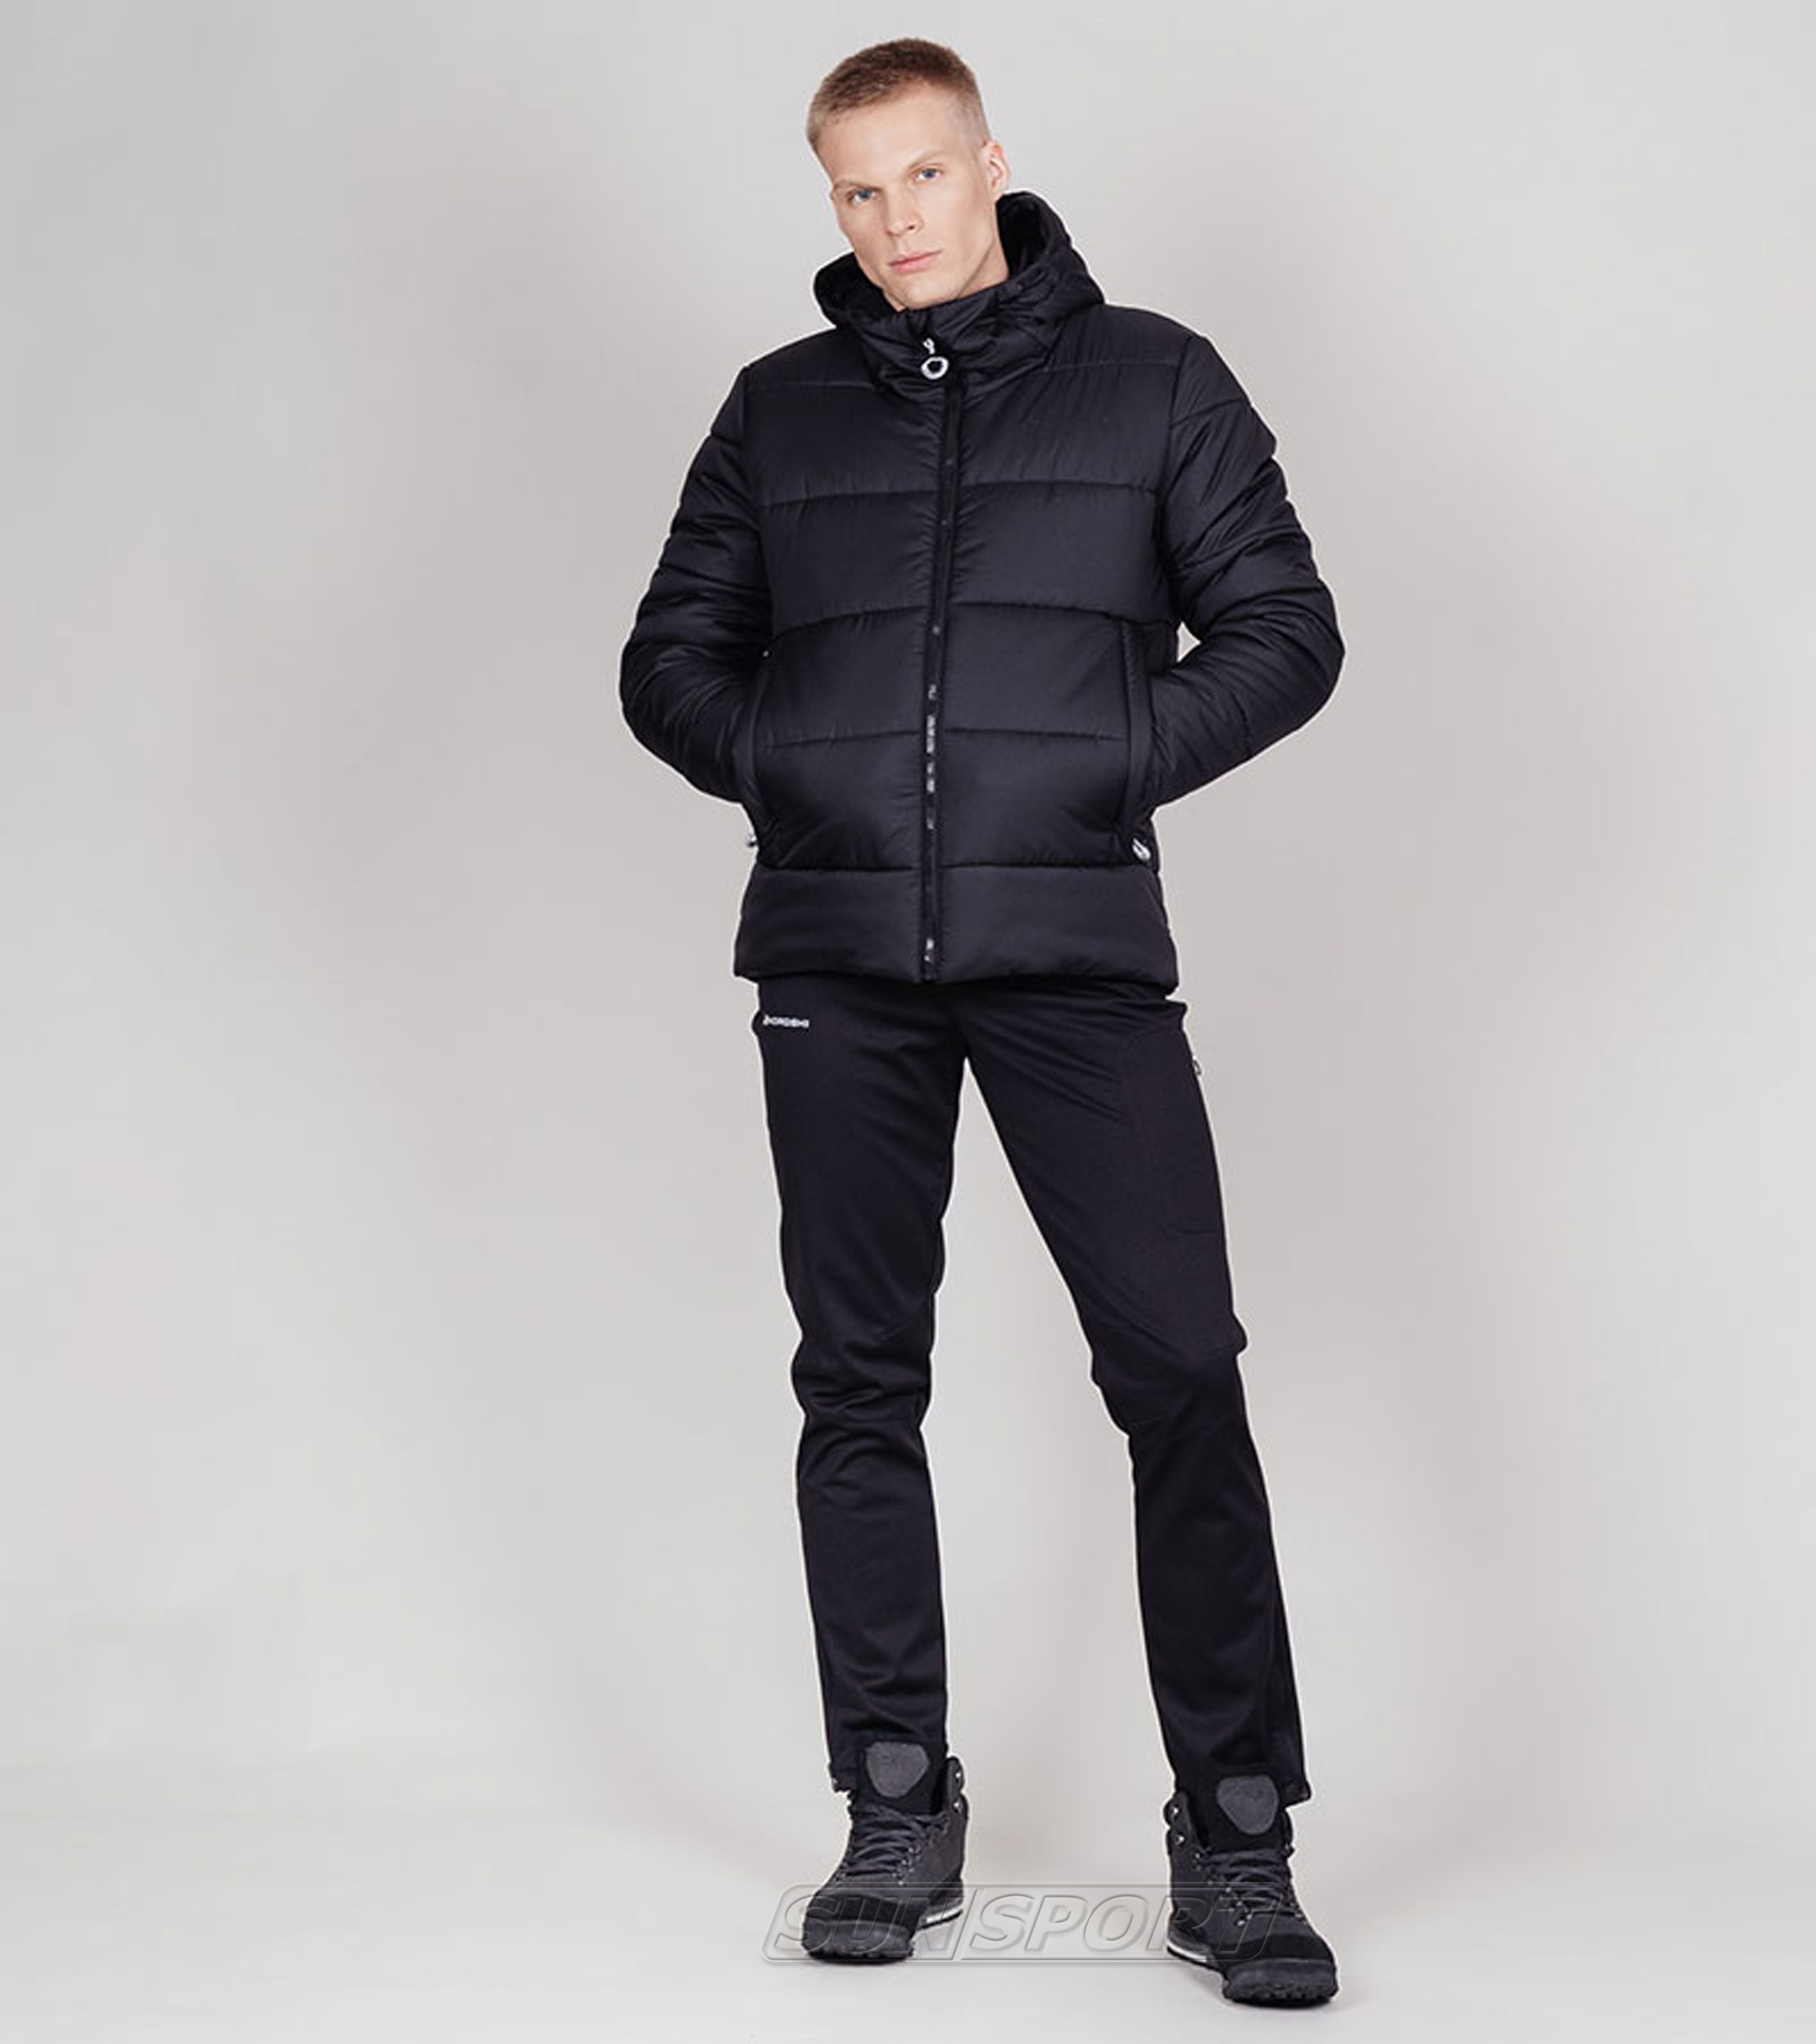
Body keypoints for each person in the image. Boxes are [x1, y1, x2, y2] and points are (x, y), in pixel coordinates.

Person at [619, 37, 1344, 2009]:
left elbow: (1287, 632)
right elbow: (670, 657)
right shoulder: (778, 410)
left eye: (922, 177)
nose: (894, 221)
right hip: (837, 957)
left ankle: (1238, 1832)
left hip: (1072, 951)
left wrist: (1095, 763)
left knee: (1179, 1370)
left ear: (991, 164)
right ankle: (894, 1801)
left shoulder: (1156, 380)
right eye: (856, 192)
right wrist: (802, 771)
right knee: (859, 1380)